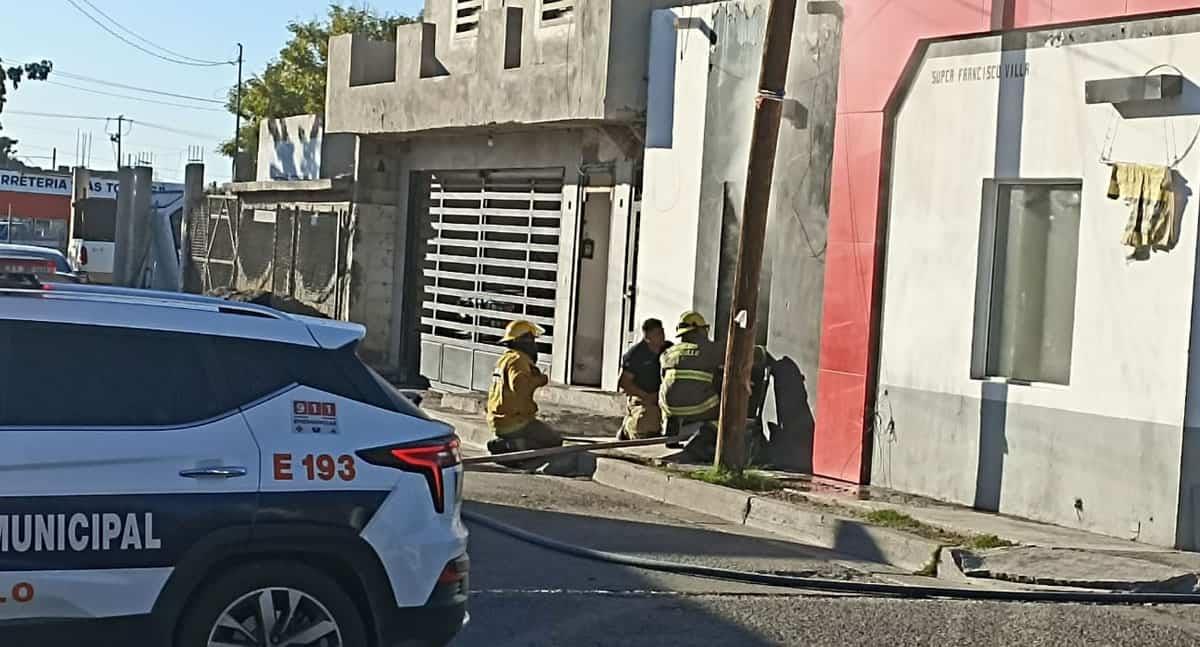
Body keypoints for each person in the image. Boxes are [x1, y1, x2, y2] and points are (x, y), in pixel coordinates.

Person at [485, 320, 563, 456]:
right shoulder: (518, 360)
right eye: (532, 339)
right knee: (554, 441)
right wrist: (539, 379)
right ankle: (511, 445)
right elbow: (520, 386)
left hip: (499, 420)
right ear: (524, 341)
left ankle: (509, 441)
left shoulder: (505, 359)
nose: (534, 345)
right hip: (515, 421)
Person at [659, 311, 722, 436]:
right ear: (698, 330)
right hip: (700, 409)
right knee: (729, 403)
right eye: (705, 329)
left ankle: (671, 426)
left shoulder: (667, 353)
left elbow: (664, 380)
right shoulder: (711, 349)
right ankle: (711, 432)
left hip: (670, 410)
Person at [617, 318, 672, 439]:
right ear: (647, 337)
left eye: (662, 332)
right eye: (657, 334)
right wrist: (646, 396)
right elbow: (624, 383)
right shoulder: (635, 354)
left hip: (664, 396)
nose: (661, 336)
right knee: (646, 425)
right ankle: (628, 428)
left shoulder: (669, 349)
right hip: (643, 397)